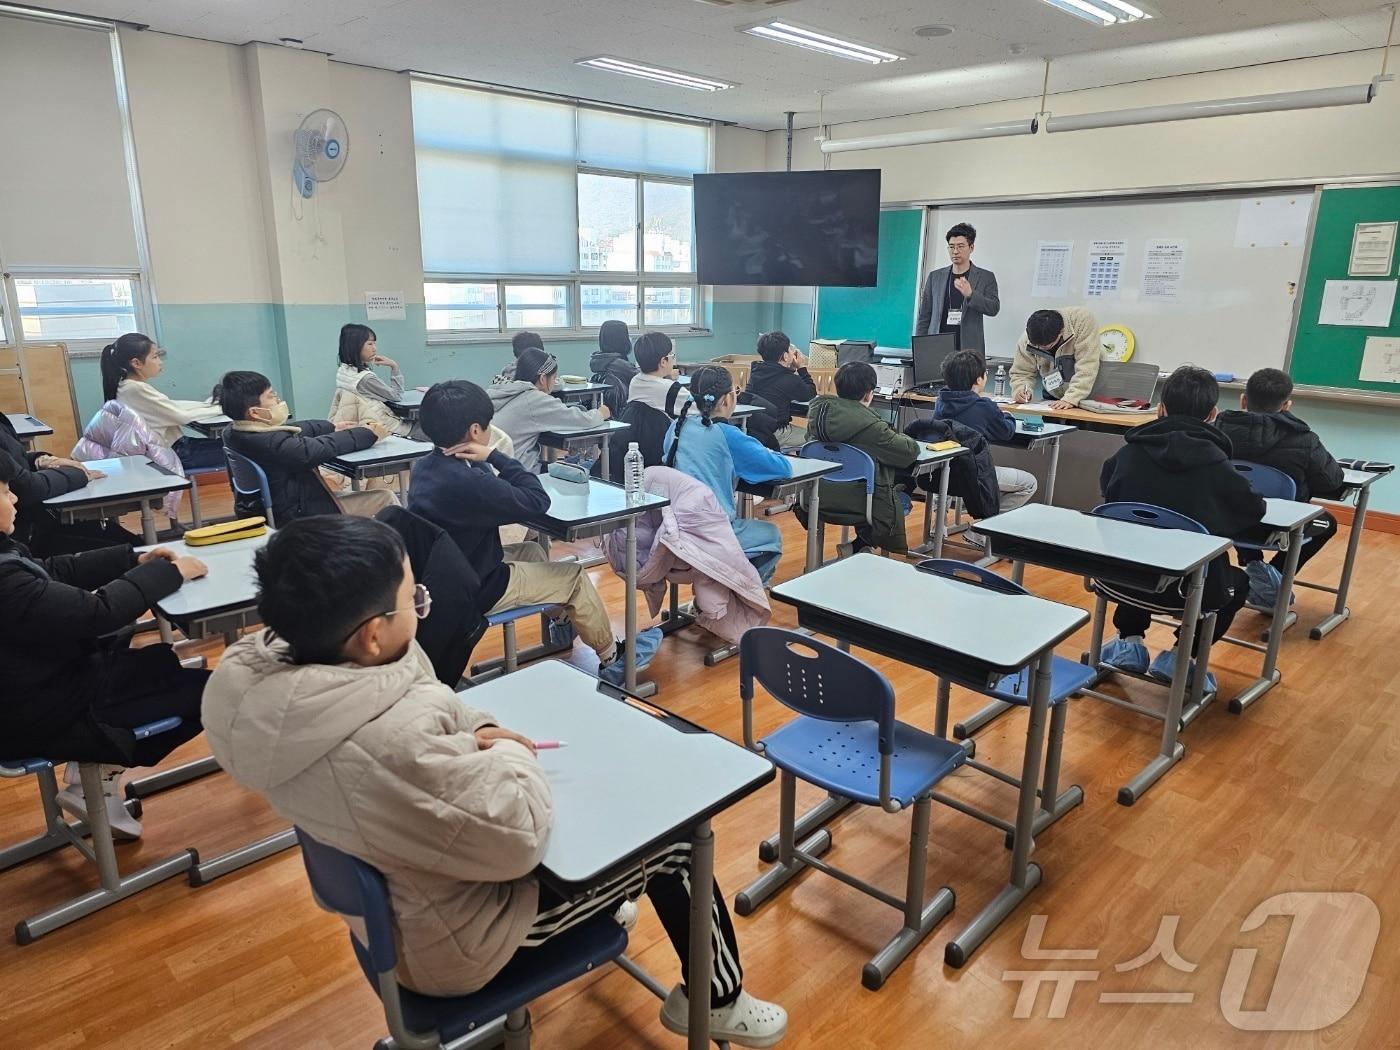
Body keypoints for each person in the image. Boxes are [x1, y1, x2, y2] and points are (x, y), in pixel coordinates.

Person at [199, 516, 786, 1045]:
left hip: (406, 897)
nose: (423, 606)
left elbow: (426, 697)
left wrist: (476, 729)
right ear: (373, 635)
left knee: (600, 825)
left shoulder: (286, 688)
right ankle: (717, 1000)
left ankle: (612, 897)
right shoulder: (389, 744)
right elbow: (519, 834)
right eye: (415, 600)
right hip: (462, 938)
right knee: (680, 842)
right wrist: (509, 755)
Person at [0, 453, 209, 838]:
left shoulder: (6, 555)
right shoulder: (4, 580)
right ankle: (98, 771)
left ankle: (94, 777)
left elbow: (55, 570)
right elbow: (98, 612)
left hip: (40, 687)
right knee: (204, 693)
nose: (14, 499)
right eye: (4, 491)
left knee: (158, 665)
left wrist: (133, 558)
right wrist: (169, 572)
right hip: (39, 712)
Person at [410, 380, 660, 685]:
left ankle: (563, 623)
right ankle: (613, 658)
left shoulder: (425, 467)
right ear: (475, 432)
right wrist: (494, 456)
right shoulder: (468, 482)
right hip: (478, 586)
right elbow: (537, 501)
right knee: (574, 577)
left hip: (451, 573)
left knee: (533, 551)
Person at [1098, 366, 1266, 691]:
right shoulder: (1217, 467)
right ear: (1213, 414)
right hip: (1191, 589)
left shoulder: (1126, 454)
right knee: (1237, 583)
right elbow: (1252, 511)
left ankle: (1129, 641)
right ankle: (1181, 656)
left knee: (1142, 549)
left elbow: (1110, 497)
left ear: (1160, 409)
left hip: (1120, 577)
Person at [1216, 367, 1345, 607]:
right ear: (1286, 405)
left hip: (1223, 522)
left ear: (1243, 400)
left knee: (1244, 499)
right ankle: (1273, 575)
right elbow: (1331, 482)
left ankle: (1255, 564)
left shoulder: (1218, 431)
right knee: (1326, 522)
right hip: (1278, 529)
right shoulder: (1304, 439)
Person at [664, 366, 792, 585]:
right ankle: (741, 596)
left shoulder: (676, 427)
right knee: (771, 535)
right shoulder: (728, 435)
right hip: (711, 532)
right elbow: (782, 468)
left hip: (674, 526)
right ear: (726, 399)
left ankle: (718, 591)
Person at [219, 370, 395, 523]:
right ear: (255, 412)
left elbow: (293, 430)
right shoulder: (273, 444)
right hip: (298, 516)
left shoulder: (234, 432)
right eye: (271, 396)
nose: (278, 400)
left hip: (270, 507)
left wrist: (331, 427)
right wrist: (368, 433)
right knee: (385, 498)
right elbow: (312, 449)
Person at [799, 362, 920, 556]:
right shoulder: (873, 428)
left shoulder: (818, 417)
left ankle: (855, 549)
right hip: (862, 504)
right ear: (868, 393)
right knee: (902, 496)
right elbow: (909, 452)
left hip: (816, 498)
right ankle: (861, 547)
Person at [934, 349, 1039, 545]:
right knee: (1029, 483)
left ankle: (937, 527)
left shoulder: (941, 401)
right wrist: (1006, 415)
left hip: (942, 475)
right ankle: (983, 531)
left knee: (961, 468)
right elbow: (1006, 432)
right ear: (979, 379)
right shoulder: (984, 406)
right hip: (975, 476)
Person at [0, 410, 120, 554]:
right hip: (22, 543)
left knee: (118, 537)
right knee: (124, 546)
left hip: (31, 529)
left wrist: (43, 460)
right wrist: (80, 475)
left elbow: (11, 461)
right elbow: (25, 486)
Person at [103, 333, 226, 473]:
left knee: (233, 446)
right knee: (240, 450)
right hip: (174, 454)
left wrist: (209, 406)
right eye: (155, 357)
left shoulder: (126, 386)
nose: (160, 362)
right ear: (136, 363)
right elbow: (181, 416)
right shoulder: (135, 388)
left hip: (174, 447)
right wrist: (224, 408)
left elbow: (171, 406)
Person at [487, 347, 608, 474]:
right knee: (575, 473)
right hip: (517, 473)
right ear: (543, 379)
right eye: (554, 377)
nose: (555, 382)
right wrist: (601, 412)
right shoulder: (534, 399)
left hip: (493, 469)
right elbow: (583, 421)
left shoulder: (504, 390)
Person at [915, 223, 1001, 354]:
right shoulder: (935, 277)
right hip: (937, 347)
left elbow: (994, 308)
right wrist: (919, 347)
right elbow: (925, 315)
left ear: (971, 247)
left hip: (968, 349)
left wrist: (971, 294)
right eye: (951, 247)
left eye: (960, 246)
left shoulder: (985, 276)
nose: (955, 251)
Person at [329, 323, 423, 440]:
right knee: (433, 428)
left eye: (374, 343)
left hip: (364, 424)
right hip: (388, 428)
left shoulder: (344, 370)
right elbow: (397, 396)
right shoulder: (365, 379)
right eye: (370, 343)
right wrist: (394, 367)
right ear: (355, 346)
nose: (374, 348)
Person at [1010, 307, 1102, 411]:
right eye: (1037, 346)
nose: (1040, 348)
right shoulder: (1028, 338)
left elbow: (1087, 366)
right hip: (1052, 394)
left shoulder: (1082, 321)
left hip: (1087, 394)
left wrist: (1070, 398)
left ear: (1061, 332)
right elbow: (1022, 372)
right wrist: (1021, 390)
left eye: (1047, 346)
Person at [745, 332, 816, 448]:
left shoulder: (756, 372)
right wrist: (801, 368)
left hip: (754, 431)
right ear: (785, 356)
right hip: (775, 433)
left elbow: (778, 386)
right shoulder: (789, 379)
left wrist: (790, 369)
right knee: (815, 438)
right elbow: (810, 393)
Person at [628, 331, 690, 416]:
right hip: (666, 429)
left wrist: (666, 378)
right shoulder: (671, 389)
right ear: (663, 361)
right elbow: (703, 408)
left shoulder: (635, 381)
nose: (673, 357)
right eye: (671, 355)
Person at [590, 319, 639, 415]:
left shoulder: (598, 360)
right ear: (622, 340)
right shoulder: (618, 363)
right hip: (622, 414)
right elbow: (642, 376)